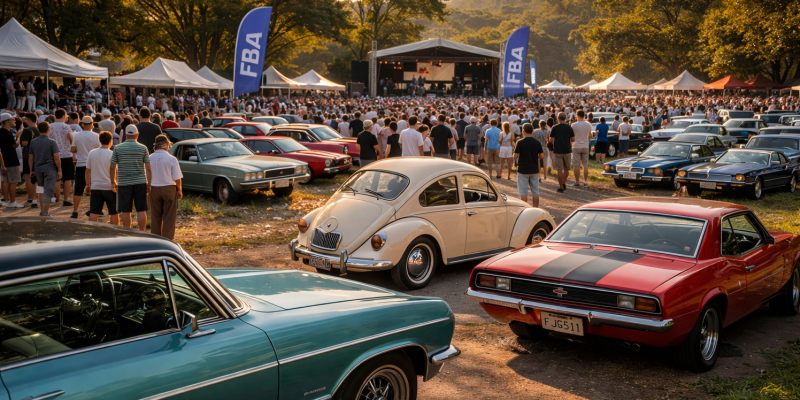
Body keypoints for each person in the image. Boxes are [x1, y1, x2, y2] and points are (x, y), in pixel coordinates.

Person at [111, 125, 152, 231]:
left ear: (125, 135)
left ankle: (127, 233)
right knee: (141, 210)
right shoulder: (143, 148)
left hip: (124, 183)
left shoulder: (117, 148)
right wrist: (149, 183)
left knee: (126, 210)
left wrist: (113, 181)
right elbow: (148, 169)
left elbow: (112, 167)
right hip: (140, 182)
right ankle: (142, 232)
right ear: (137, 134)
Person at [149, 134, 183, 238]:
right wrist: (179, 190)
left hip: (153, 188)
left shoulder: (149, 158)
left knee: (155, 216)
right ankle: (167, 239)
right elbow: (177, 177)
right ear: (167, 144)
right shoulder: (172, 158)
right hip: (169, 188)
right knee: (169, 216)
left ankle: (156, 238)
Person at [69, 116, 101, 218]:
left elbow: (73, 150)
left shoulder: (76, 136)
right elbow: (100, 149)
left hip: (81, 164)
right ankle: (94, 209)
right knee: (94, 188)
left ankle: (75, 211)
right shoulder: (96, 136)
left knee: (78, 189)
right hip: (93, 165)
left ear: (82, 124)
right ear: (92, 124)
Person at [28, 122, 62, 217]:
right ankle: (45, 212)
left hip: (38, 168)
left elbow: (31, 157)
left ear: (38, 129)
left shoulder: (33, 142)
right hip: (50, 168)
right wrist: (59, 169)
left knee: (41, 189)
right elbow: (56, 157)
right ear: (48, 129)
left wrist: (31, 170)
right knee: (48, 191)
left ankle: (43, 210)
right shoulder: (52, 142)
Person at [85, 131, 118, 225]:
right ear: (111, 141)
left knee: (94, 211)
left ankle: (93, 232)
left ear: (99, 140)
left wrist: (88, 184)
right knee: (114, 212)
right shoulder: (112, 154)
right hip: (110, 186)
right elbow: (116, 171)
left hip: (96, 186)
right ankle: (115, 233)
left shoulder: (92, 153)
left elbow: (87, 171)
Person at [514, 123, 544, 207]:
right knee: (535, 191)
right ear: (532, 131)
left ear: (523, 131)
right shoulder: (537, 143)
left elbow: (515, 156)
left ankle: (525, 209)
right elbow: (542, 156)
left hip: (523, 169)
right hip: (534, 169)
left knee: (523, 191)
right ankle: (535, 208)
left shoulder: (520, 142)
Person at [49, 109, 74, 205]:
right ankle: (66, 199)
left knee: (57, 178)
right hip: (66, 154)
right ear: (64, 116)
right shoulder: (66, 127)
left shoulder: (50, 126)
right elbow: (70, 138)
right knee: (67, 178)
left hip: (54, 154)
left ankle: (57, 199)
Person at [0, 113, 22, 208]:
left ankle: (8, 201)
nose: (15, 121)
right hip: (11, 160)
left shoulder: (1, 132)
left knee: (6, 181)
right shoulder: (7, 133)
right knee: (13, 182)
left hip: (4, 160)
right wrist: (18, 137)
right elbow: (15, 145)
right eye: (13, 119)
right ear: (7, 121)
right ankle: (13, 202)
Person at [549, 112, 574, 193]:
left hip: (557, 150)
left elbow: (551, 140)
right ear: (565, 118)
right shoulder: (569, 128)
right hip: (567, 150)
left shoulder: (554, 127)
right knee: (566, 168)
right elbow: (573, 139)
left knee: (559, 169)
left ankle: (560, 186)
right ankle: (563, 183)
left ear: (558, 118)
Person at [19, 113, 40, 207]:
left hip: (28, 156)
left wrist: (18, 138)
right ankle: (37, 197)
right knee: (38, 178)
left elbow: (24, 143)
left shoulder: (26, 130)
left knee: (28, 177)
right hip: (40, 156)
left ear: (28, 119)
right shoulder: (41, 129)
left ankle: (30, 197)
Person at [571, 110, 592, 187]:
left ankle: (577, 182)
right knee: (585, 164)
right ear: (584, 116)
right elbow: (590, 136)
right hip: (585, 145)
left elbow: (572, 137)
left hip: (576, 145)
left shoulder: (573, 125)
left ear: (577, 115)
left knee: (576, 164)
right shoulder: (588, 124)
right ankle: (585, 181)